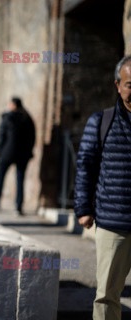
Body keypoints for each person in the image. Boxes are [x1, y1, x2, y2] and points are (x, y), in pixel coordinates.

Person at [75, 55, 131, 320]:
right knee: (107, 295)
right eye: (130, 84)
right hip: (113, 224)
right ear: (117, 85)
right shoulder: (101, 122)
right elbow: (85, 166)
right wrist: (84, 208)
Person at [0, 97, 35, 215]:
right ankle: (18, 206)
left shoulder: (7, 117)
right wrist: (29, 151)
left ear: (13, 105)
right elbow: (32, 137)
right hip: (23, 154)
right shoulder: (27, 118)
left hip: (7, 153)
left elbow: (1, 136)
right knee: (20, 180)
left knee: (1, 178)